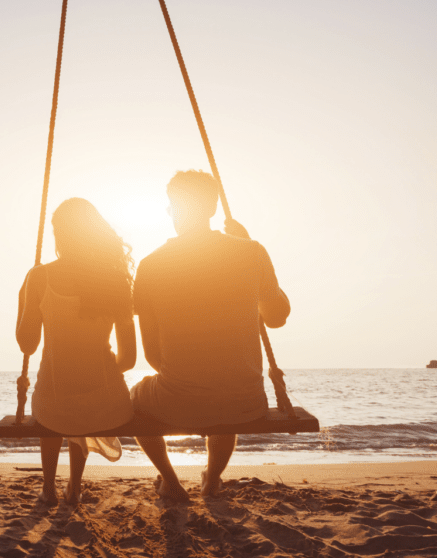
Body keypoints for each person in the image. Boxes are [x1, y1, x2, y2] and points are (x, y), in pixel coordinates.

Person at [131, 170, 290, 503]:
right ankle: (211, 479)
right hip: (246, 404)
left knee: (135, 401)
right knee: (225, 392)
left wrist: (188, 377)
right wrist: (247, 243)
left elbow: (152, 356)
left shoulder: (150, 265)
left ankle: (170, 480)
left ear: (172, 209)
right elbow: (276, 318)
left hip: (180, 399)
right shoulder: (252, 252)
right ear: (214, 207)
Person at [16, 198, 137, 506]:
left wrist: (24, 299)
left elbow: (27, 345)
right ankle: (75, 486)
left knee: (56, 401)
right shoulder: (115, 280)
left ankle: (48, 488)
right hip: (107, 404)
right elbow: (130, 359)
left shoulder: (39, 277)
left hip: (53, 405)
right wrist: (100, 374)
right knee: (81, 398)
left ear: (59, 233)